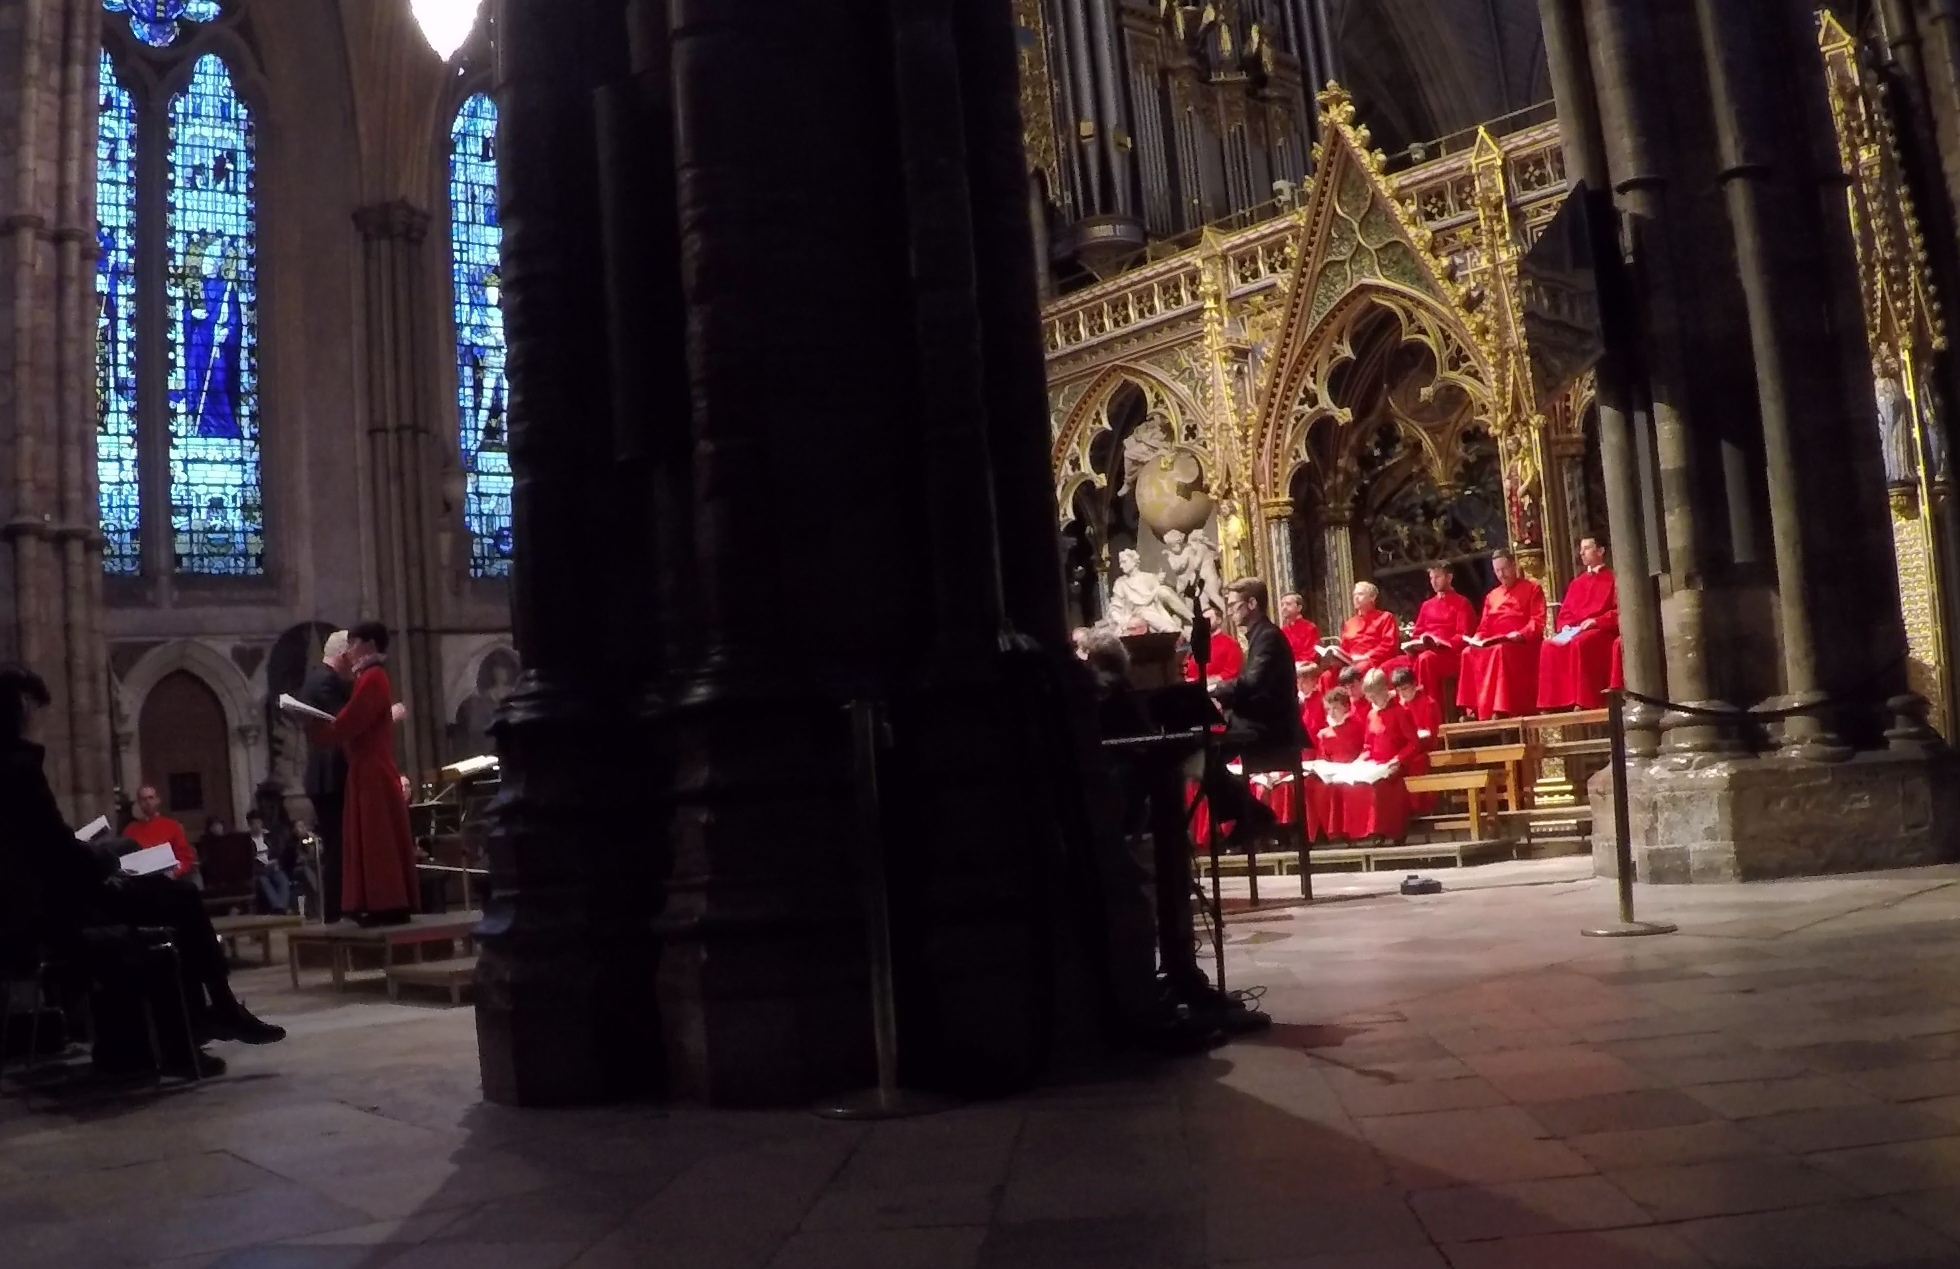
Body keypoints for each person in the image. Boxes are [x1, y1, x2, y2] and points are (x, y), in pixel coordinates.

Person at [0, 665, 284, 1078]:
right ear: (22, 708)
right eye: (39, 710)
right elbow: (55, 853)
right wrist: (107, 862)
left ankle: (204, 1020)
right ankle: (201, 1025)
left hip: (28, 912)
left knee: (154, 888)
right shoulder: (18, 770)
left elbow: (42, 849)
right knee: (179, 903)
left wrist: (98, 858)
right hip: (54, 915)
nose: (43, 722)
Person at [308, 621, 420, 926]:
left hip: (372, 768)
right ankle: (374, 903)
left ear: (369, 645)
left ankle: (385, 903)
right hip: (366, 766)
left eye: (354, 644)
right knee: (368, 838)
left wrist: (319, 730)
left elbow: (349, 721)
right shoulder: (369, 677)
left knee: (376, 839)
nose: (350, 651)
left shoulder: (372, 677)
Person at [1200, 578, 1301, 846]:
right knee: (1205, 755)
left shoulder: (1267, 636)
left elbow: (1253, 683)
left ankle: (1253, 815)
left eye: (1234, 605)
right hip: (1258, 723)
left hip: (1271, 729)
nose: (1230, 611)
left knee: (1204, 756)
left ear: (1252, 603)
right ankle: (1251, 814)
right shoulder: (1259, 636)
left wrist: (1215, 688)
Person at [300, 630, 353, 922]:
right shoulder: (325, 681)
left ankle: (340, 911)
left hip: (328, 775)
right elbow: (346, 720)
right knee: (338, 850)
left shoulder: (320, 679)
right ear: (343, 655)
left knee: (339, 847)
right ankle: (337, 914)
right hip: (331, 775)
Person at [1457, 549, 1547, 720]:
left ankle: (1501, 708)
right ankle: (1473, 709)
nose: (1501, 574)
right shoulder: (1492, 596)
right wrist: (1477, 638)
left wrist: (1520, 634)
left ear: (1514, 566)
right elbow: (1484, 626)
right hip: (1495, 641)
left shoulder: (1532, 589)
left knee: (1500, 651)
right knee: (1467, 653)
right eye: (1497, 570)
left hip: (1522, 645)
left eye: (1504, 569)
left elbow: (1537, 621)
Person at [1538, 537, 1623, 711]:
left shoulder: (1613, 578)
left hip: (1601, 631)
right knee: (1548, 646)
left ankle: (1584, 700)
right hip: (1575, 630)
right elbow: (1566, 612)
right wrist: (1566, 626)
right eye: (1581, 549)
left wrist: (1596, 621)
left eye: (1587, 548)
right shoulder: (1577, 582)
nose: (1581, 553)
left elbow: (1619, 611)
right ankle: (1554, 703)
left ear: (1600, 551)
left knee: (1581, 644)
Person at [1342, 670, 1422, 842]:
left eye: (1375, 695)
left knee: (1381, 786)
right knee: (1354, 784)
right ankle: (1362, 832)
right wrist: (1359, 762)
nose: (1372, 700)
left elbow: (1413, 743)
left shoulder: (1401, 712)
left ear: (1385, 691)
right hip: (1376, 764)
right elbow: (1368, 745)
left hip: (1397, 765)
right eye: (1369, 696)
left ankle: (1387, 831)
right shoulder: (1371, 715)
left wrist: (1398, 760)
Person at [1403, 562, 1477, 710]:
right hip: (1426, 652)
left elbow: (1464, 635)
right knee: (1393, 665)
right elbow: (1417, 633)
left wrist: (1443, 644)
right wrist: (1414, 645)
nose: (1434, 582)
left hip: (1449, 656)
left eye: (1438, 577)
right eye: (1431, 578)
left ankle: (1429, 710)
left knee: (1426, 659)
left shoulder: (1462, 603)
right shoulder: (1426, 605)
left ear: (1449, 577)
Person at [1317, 581, 1402, 696]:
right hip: (1350, 663)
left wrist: (1366, 657)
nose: (1356, 598)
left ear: (1373, 597)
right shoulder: (1349, 623)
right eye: (1354, 595)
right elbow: (1344, 648)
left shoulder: (1385, 617)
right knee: (1327, 676)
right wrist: (1337, 658)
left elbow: (1389, 644)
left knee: (1358, 670)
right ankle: (1333, 712)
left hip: (1372, 661)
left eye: (1360, 594)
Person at [1306, 689, 1364, 839]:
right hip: (1331, 773)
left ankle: (1349, 830)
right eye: (1328, 709)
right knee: (1313, 786)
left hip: (1352, 770)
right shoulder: (1323, 734)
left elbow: (1362, 750)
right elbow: (1322, 758)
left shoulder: (1357, 727)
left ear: (1346, 707)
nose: (1331, 713)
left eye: (1335, 708)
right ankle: (1321, 832)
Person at [1392, 666, 1444, 813]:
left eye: (1405, 688)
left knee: (1416, 763)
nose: (1402, 693)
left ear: (1414, 684)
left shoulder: (1428, 703)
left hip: (1425, 747)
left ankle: (1419, 808)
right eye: (1399, 690)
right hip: (1404, 747)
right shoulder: (1398, 705)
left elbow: (1430, 731)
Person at [125, 785, 197, 885]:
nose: (148, 802)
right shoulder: (130, 830)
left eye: (151, 798)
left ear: (157, 800)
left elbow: (185, 857)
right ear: (139, 803)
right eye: (143, 799)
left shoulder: (173, 826)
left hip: (168, 882)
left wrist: (175, 872)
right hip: (141, 884)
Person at [245, 809, 292, 915]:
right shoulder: (247, 841)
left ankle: (280, 907)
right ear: (250, 825)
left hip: (272, 867)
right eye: (254, 823)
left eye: (259, 823)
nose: (257, 826)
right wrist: (261, 867)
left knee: (282, 879)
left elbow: (277, 852)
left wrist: (275, 861)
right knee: (264, 882)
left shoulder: (269, 837)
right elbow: (248, 861)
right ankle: (280, 908)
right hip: (259, 871)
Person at [1182, 606, 1243, 683]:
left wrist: (1212, 680)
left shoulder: (1231, 643)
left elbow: (1232, 671)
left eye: (1208, 619)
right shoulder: (1196, 643)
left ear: (1219, 620)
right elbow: (1186, 666)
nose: (1204, 623)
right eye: (1203, 620)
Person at [1278, 592, 1321, 671]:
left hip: (1305, 669)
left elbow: (1311, 653)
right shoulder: (1282, 631)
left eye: (1288, 604)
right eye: (1282, 604)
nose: (1284, 607)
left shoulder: (1310, 628)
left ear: (1299, 608)